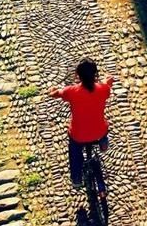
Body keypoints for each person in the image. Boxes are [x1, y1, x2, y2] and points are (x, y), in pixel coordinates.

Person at [48, 58, 114, 191]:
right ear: (95, 73)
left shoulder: (71, 91)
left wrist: (52, 90)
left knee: (75, 151)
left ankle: (77, 178)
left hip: (79, 135)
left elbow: (56, 94)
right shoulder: (103, 89)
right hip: (99, 132)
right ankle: (103, 142)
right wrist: (108, 82)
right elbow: (106, 87)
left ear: (78, 75)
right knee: (104, 128)